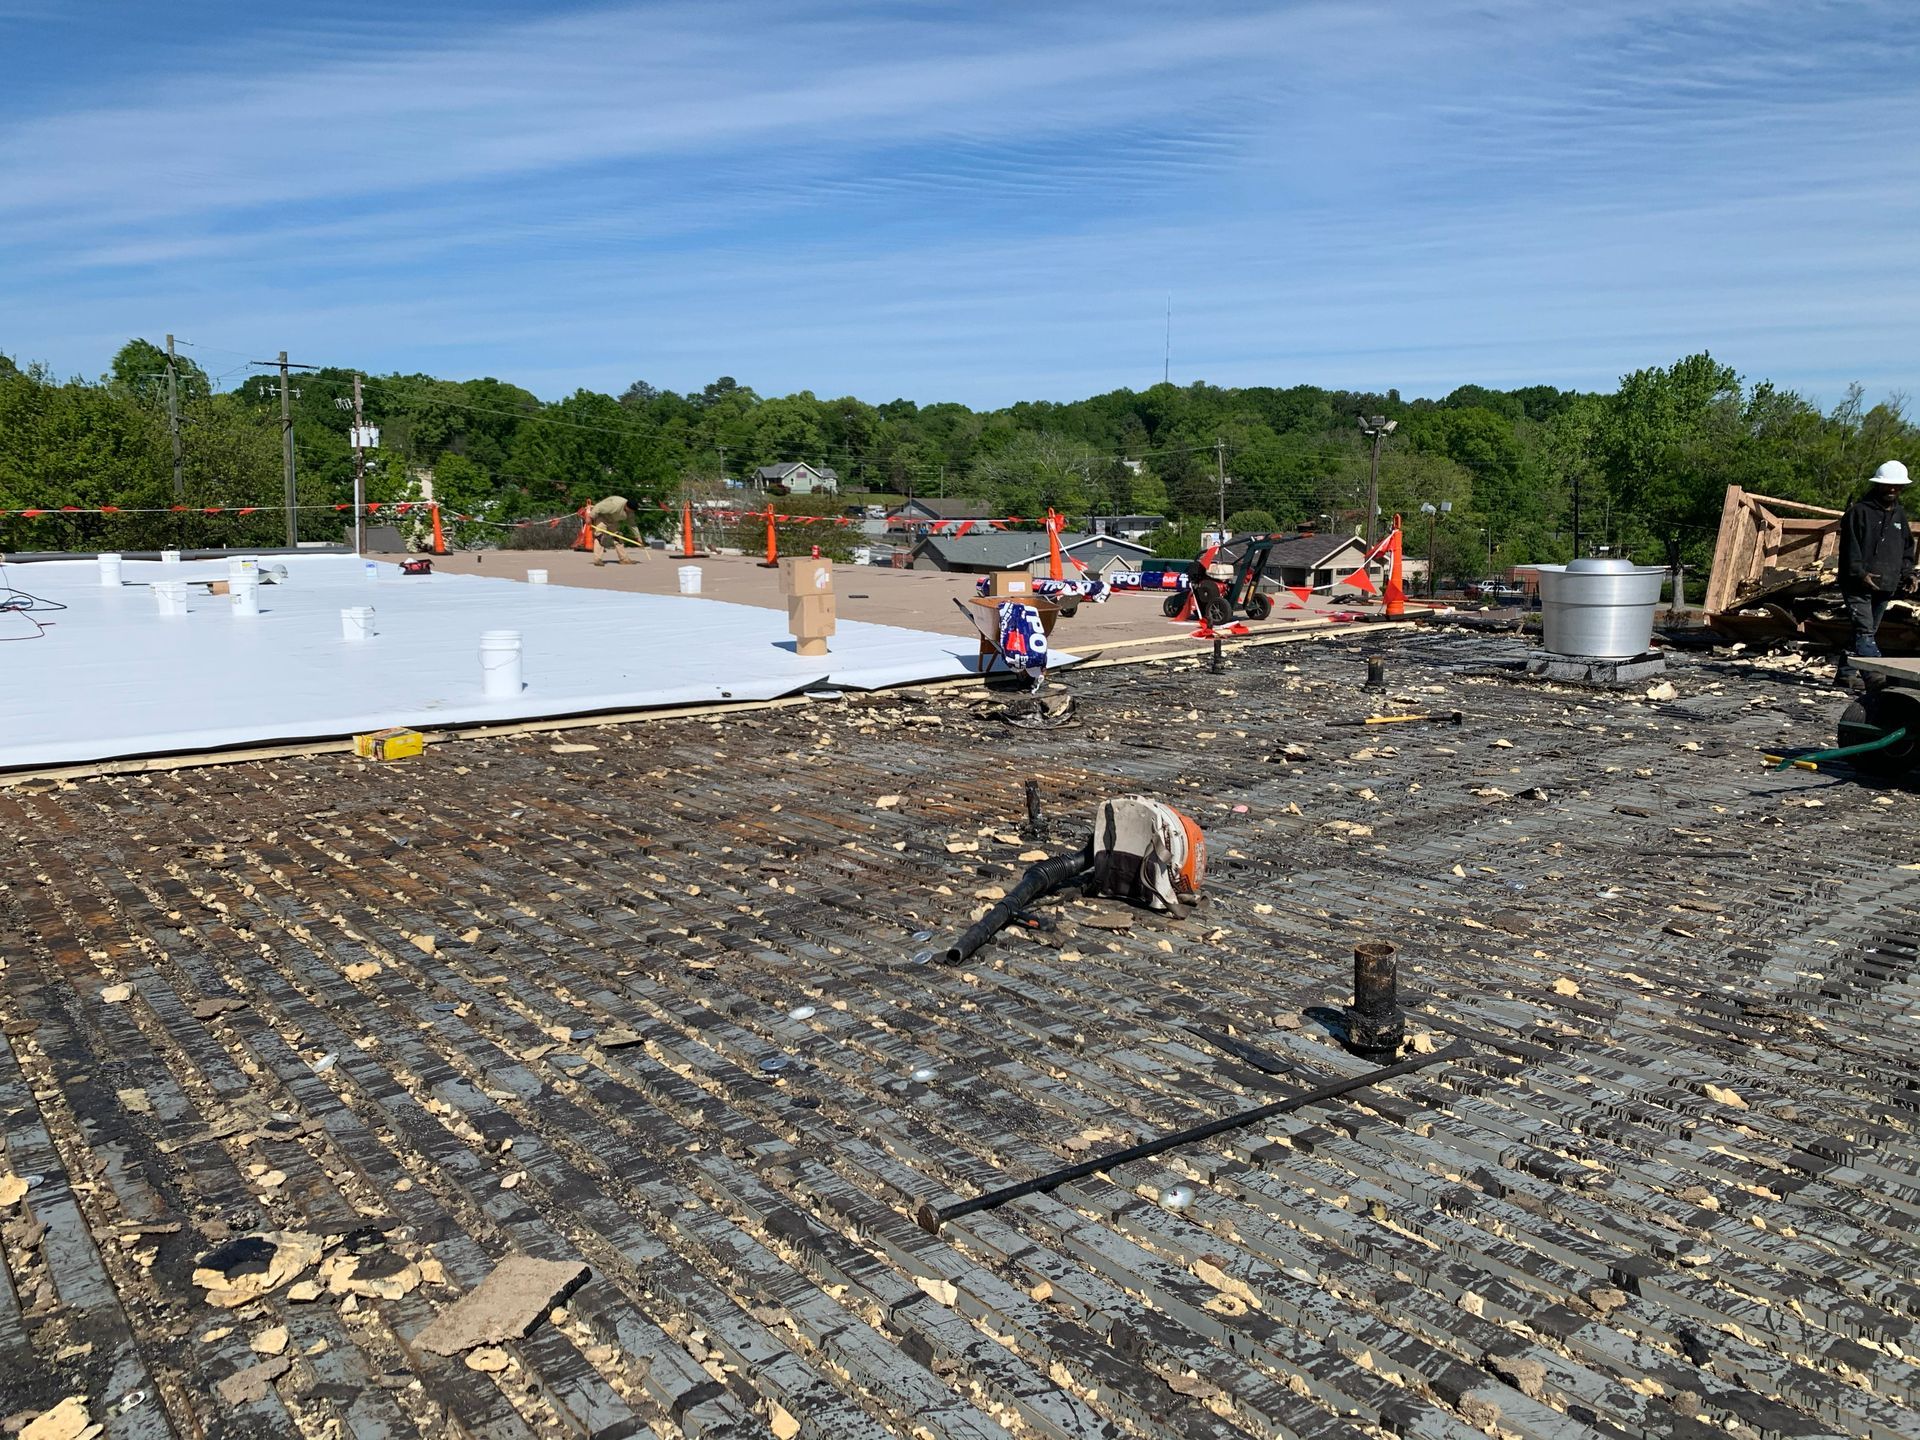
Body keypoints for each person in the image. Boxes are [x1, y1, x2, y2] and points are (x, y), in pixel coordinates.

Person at [1838, 460, 1915, 669]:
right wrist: (1860, 573)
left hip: (1885, 585)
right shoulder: (1859, 512)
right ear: (1878, 484)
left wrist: (1909, 573)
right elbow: (1849, 549)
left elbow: (1907, 547)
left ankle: (1846, 675)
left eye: (1896, 486)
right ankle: (1876, 678)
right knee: (1865, 633)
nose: (1892, 489)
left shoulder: (1899, 515)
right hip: (1857, 585)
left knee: (1864, 632)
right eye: (1887, 485)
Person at [589, 495, 644, 565]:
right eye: (630, 511)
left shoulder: (631, 512)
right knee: (600, 537)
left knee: (618, 537)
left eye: (632, 511)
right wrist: (590, 517)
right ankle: (597, 560)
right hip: (602, 517)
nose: (630, 513)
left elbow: (632, 525)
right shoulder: (615, 504)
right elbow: (598, 507)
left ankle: (624, 559)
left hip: (613, 520)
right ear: (626, 506)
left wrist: (638, 537)